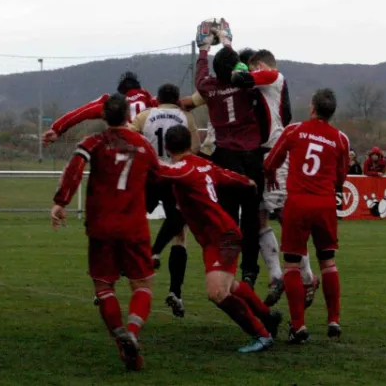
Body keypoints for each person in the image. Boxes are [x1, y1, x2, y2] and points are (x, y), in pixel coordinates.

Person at [51, 94, 159, 371]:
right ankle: (133, 332)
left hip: (101, 226)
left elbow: (75, 168)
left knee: (103, 286)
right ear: (128, 116)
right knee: (142, 285)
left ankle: (119, 336)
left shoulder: (93, 143)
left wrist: (61, 202)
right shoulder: (144, 145)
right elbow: (160, 176)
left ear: (103, 116)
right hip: (134, 226)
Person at [160, 124, 282, 353]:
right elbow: (230, 177)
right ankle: (268, 316)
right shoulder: (204, 165)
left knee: (217, 292)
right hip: (216, 237)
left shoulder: (183, 169)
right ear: (189, 144)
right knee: (230, 285)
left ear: (167, 148)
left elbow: (159, 171)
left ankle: (262, 334)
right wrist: (249, 182)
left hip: (222, 237)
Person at [230, 49, 318, 308]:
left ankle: (306, 277)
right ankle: (280, 276)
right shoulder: (269, 89)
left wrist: (230, 50)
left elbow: (240, 78)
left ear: (258, 64)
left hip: (274, 156)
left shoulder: (273, 76)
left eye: (252, 67)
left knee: (282, 216)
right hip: (264, 154)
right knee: (260, 217)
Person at [264, 88, 349, 343]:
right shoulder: (340, 139)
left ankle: (298, 325)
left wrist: (270, 177)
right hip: (324, 205)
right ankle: (333, 319)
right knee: (328, 262)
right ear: (331, 113)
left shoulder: (294, 131)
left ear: (312, 107)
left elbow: (270, 163)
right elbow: (341, 177)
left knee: (291, 263)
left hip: (298, 203)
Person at [192, 21, 264, 287]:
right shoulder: (246, 83)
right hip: (252, 153)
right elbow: (241, 67)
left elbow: (200, 79)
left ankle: (229, 268)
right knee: (252, 216)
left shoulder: (210, 87)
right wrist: (227, 41)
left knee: (230, 216)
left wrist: (203, 49)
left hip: (227, 157)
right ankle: (250, 270)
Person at [129, 82, 200, 317]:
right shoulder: (185, 117)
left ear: (157, 98)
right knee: (179, 234)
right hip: (176, 177)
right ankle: (175, 292)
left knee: (132, 222)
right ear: (177, 98)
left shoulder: (145, 115)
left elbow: (127, 138)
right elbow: (196, 148)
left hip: (150, 176)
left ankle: (112, 276)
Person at [42, 71, 156, 144]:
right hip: (147, 152)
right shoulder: (152, 101)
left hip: (122, 150)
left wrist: (57, 129)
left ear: (120, 91)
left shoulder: (111, 103)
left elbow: (82, 112)